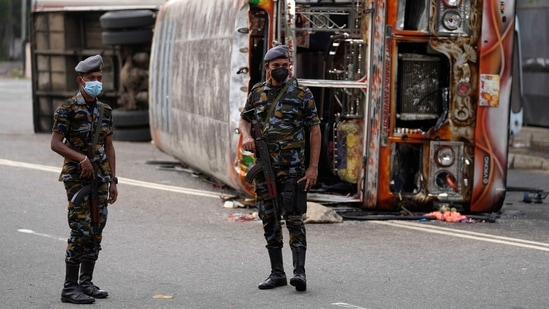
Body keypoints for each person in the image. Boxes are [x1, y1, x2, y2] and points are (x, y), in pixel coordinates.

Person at [239, 45, 321, 292]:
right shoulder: (257, 92)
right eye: (277, 67)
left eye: (286, 66)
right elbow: (244, 118)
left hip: (294, 168)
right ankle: (277, 273)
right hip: (265, 168)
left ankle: (300, 273)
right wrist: (246, 136)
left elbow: (314, 130)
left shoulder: (302, 93)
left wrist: (313, 168)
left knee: (294, 218)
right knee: (269, 218)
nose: (282, 70)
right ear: (268, 68)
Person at [51, 54, 118, 304]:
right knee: (80, 230)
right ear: (80, 80)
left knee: (96, 228)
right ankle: (69, 288)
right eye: (92, 79)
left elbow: (109, 147)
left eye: (99, 78)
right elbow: (56, 144)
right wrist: (81, 159)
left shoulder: (105, 110)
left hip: (100, 177)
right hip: (78, 178)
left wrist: (113, 180)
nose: (97, 83)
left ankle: (86, 282)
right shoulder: (67, 109)